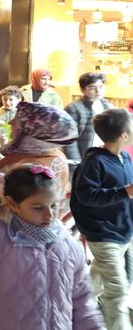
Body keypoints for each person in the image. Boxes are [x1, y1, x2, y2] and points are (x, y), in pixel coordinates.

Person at [0, 165, 104, 330]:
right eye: (38, 207)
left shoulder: (68, 244)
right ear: (13, 204)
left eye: (53, 205)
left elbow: (82, 299)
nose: (49, 215)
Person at [70, 108, 133, 330]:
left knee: (94, 282)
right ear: (124, 134)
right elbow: (85, 196)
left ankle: (73, 314)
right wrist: (125, 192)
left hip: (123, 230)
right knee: (117, 289)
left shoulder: (124, 157)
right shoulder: (94, 162)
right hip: (103, 233)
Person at [64, 72, 113, 162]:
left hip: (104, 154)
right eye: (92, 88)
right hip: (85, 155)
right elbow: (69, 139)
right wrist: (76, 162)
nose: (98, 91)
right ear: (83, 90)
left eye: (101, 87)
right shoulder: (73, 108)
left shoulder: (108, 107)